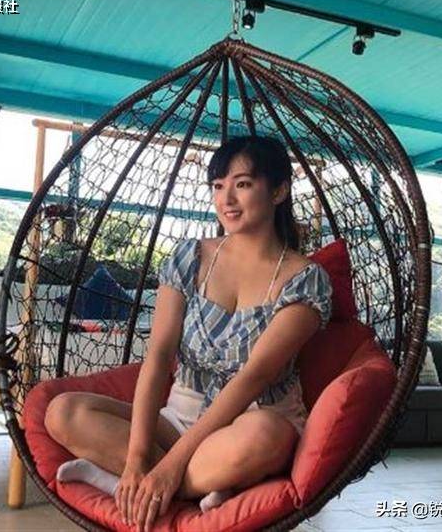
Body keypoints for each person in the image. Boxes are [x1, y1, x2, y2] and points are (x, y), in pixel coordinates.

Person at [44, 135, 332, 532]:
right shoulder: (191, 257)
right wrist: (137, 457)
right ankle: (198, 485)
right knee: (63, 411)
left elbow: (254, 376)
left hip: (252, 419)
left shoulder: (305, 280)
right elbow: (159, 355)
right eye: (218, 186)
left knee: (264, 437)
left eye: (243, 184)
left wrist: (171, 467)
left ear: (279, 191)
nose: (227, 199)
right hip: (180, 416)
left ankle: (137, 484)